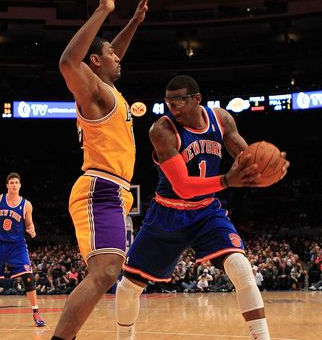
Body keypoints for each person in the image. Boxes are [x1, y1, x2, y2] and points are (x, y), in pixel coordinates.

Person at [116, 75, 290, 340]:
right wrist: (227, 180)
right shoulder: (161, 130)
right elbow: (184, 187)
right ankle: (123, 337)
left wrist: (269, 170)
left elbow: (247, 162)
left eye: (179, 102)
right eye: (168, 102)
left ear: (197, 99)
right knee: (128, 287)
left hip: (206, 210)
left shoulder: (222, 119)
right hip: (168, 212)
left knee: (242, 268)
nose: (173, 109)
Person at [51, 0, 156, 340]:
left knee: (108, 271)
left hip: (114, 192)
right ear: (95, 61)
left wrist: (134, 22)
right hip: (100, 188)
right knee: (106, 272)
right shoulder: (94, 91)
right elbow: (68, 61)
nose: (118, 56)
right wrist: (102, 10)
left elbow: (111, 54)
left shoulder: (106, 89)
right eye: (110, 53)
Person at [0, 172, 45, 327]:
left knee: (29, 277)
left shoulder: (26, 205)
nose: (14, 185)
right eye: (11, 182)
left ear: (20, 186)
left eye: (16, 182)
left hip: (17, 245)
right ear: (7, 185)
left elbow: (29, 223)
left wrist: (32, 229)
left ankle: (36, 313)